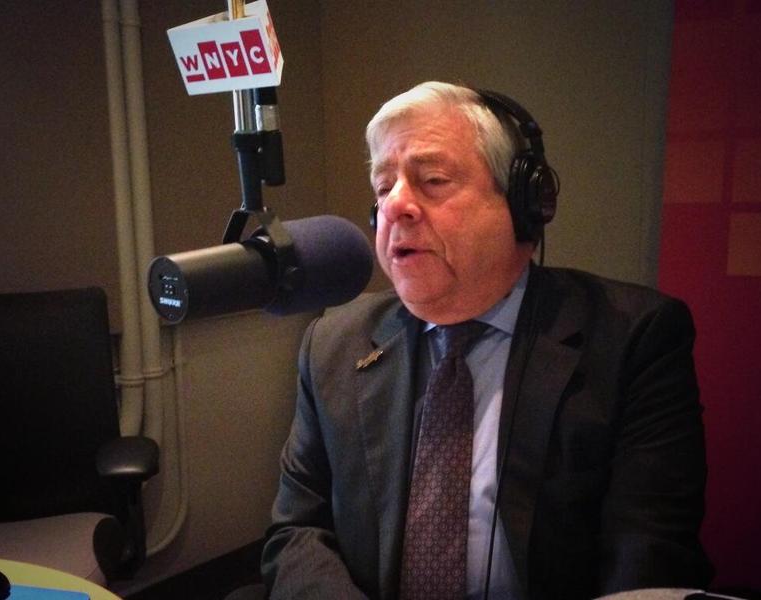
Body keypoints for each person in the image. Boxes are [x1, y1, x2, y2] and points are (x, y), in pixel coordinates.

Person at [261, 81, 712, 599]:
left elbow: (648, 555)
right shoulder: (333, 343)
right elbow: (297, 531)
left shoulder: (635, 338)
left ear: (525, 205)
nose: (394, 207)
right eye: (383, 188)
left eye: (432, 180)